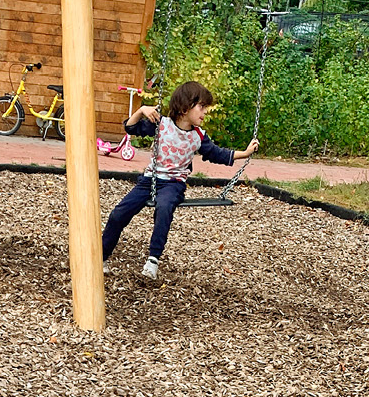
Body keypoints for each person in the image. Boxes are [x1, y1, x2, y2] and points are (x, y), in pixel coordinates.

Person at [101, 81, 259, 281]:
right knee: (118, 213)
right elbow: (131, 128)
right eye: (201, 107)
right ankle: (102, 256)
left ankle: (153, 260)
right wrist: (141, 110)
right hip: (149, 180)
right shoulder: (161, 124)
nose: (205, 112)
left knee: (164, 207)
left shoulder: (199, 136)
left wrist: (245, 153)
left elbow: (218, 154)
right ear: (185, 107)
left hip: (174, 183)